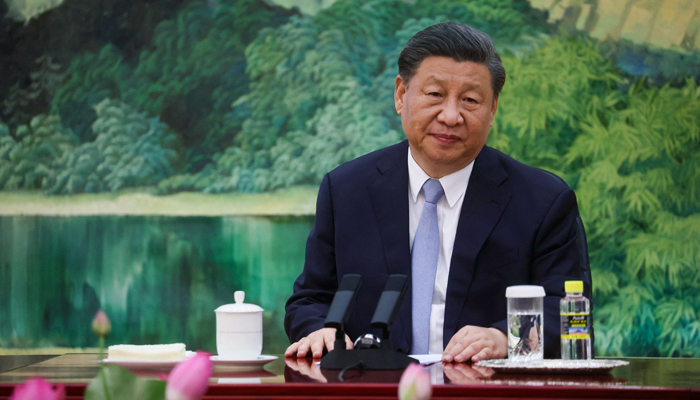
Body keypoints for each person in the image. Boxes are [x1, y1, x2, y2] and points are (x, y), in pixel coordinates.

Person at [284, 22, 592, 362]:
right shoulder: (346, 189)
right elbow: (311, 299)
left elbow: (570, 316)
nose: (450, 115)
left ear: (492, 109)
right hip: (373, 388)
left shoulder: (543, 201)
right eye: (435, 95)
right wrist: (319, 330)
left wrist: (506, 338)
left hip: (483, 390)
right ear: (402, 95)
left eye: (470, 100)